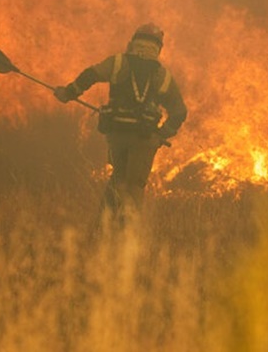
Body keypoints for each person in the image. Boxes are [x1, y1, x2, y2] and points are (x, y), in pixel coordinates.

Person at [54, 23, 187, 218]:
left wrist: (68, 92)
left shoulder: (118, 63)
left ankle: (104, 227)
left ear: (133, 42)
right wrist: (161, 134)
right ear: (158, 47)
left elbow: (90, 75)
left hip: (117, 136)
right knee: (134, 187)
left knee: (118, 179)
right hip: (144, 140)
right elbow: (179, 111)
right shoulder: (162, 76)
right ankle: (127, 237)